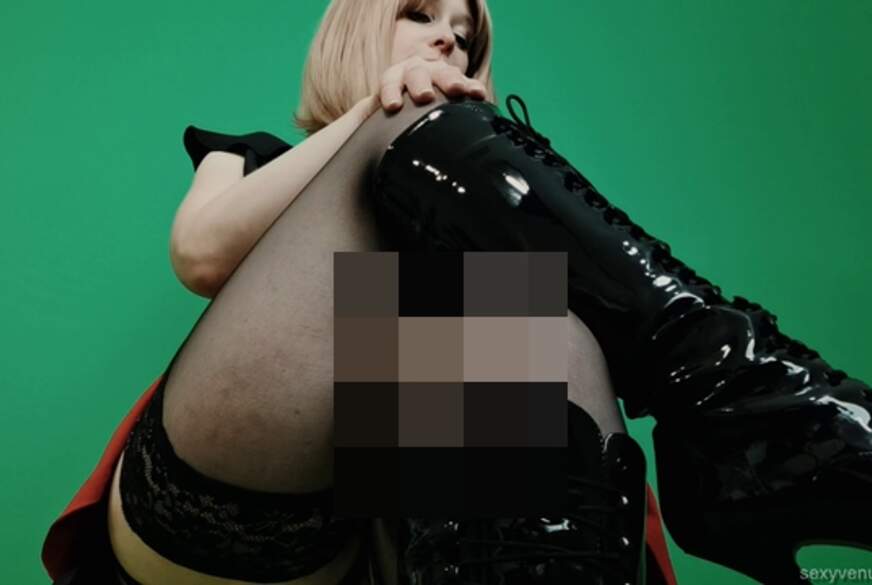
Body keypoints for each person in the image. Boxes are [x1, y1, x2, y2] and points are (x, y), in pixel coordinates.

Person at [40, 0, 679, 583]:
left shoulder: (482, 211)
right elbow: (199, 257)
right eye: (421, 15)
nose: (447, 42)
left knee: (541, 326)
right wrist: (373, 114)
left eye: (464, 38)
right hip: (249, 488)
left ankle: (698, 360)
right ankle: (702, 352)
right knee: (422, 172)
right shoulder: (246, 156)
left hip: (404, 526)